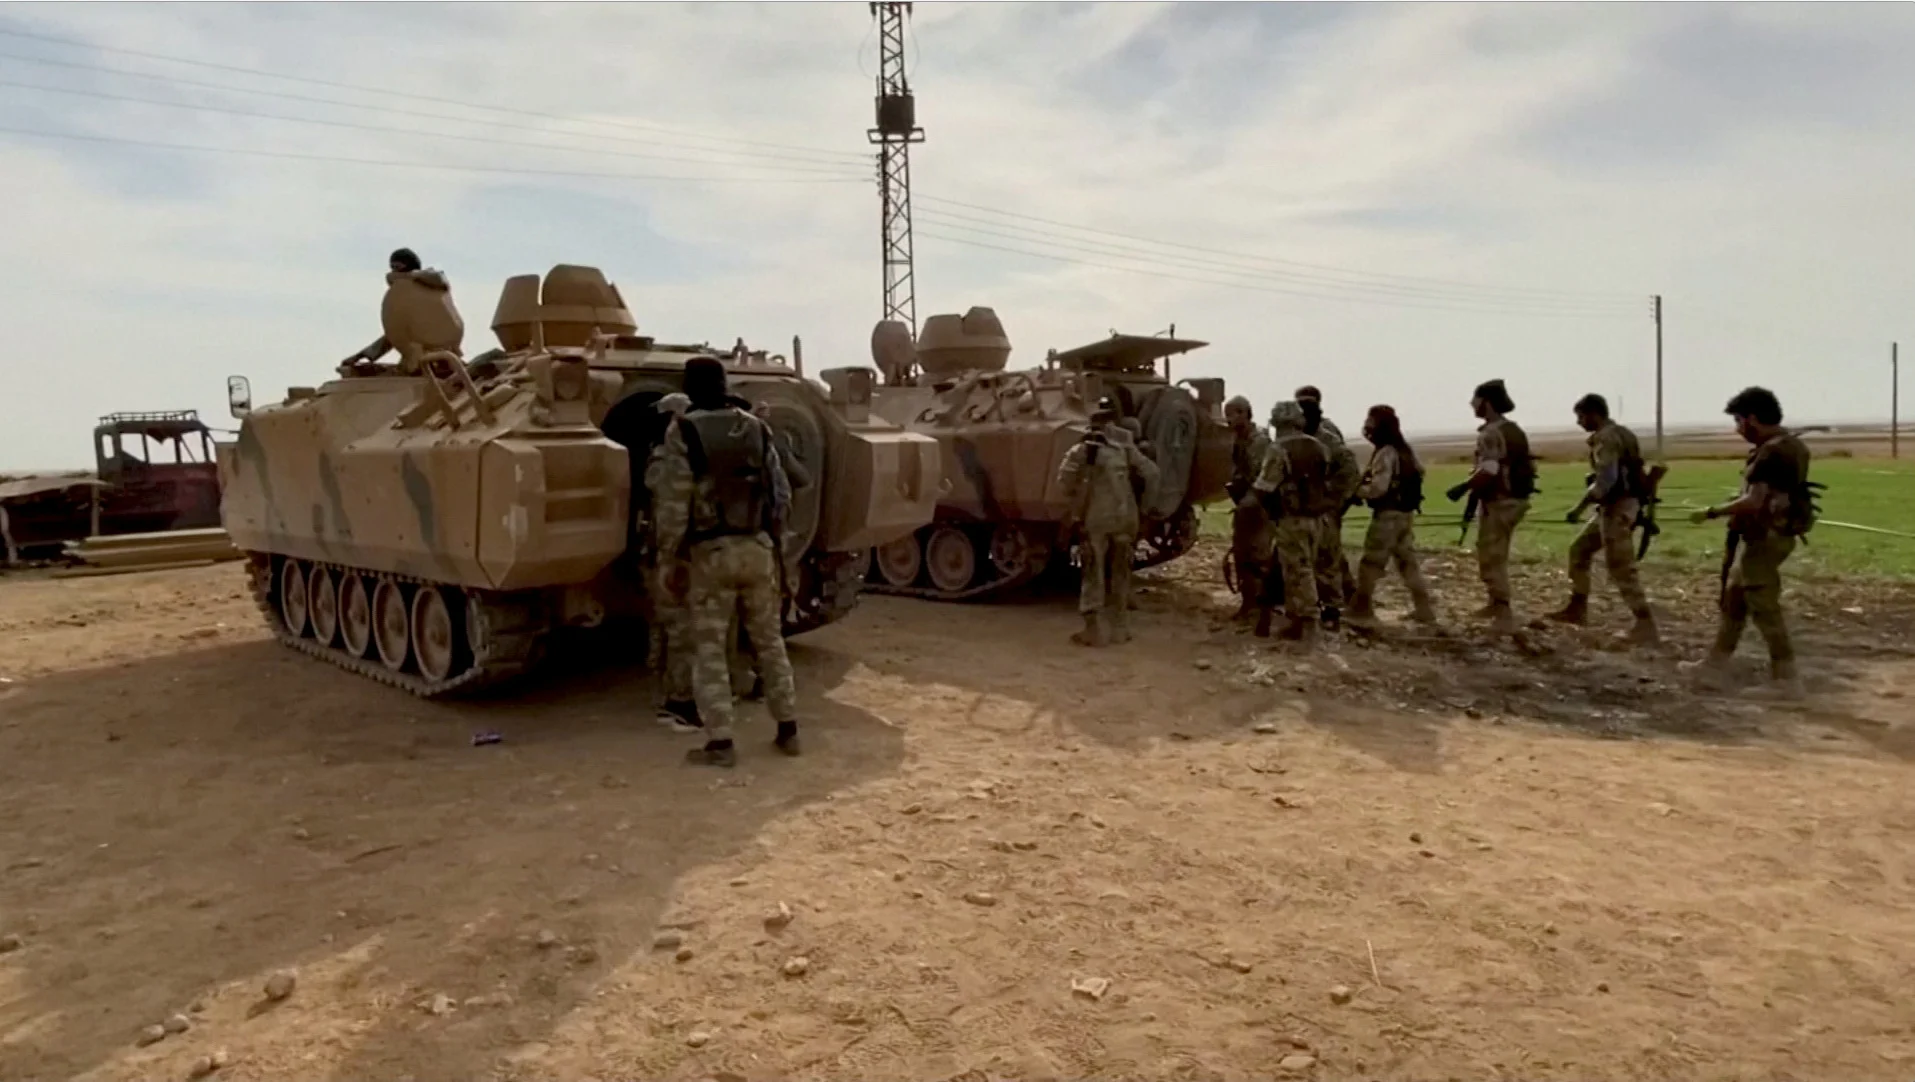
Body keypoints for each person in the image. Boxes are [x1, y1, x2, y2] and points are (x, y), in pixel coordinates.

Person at [652, 357, 801, 767]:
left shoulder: (682, 430)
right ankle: (788, 728)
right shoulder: (757, 427)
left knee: (710, 649)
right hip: (757, 550)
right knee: (769, 642)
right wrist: (778, 546)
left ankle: (720, 742)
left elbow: (674, 502)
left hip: (711, 554)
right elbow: (781, 494)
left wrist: (668, 556)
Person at [1682, 387, 1814, 698]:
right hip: (1775, 534)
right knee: (1735, 601)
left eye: (1739, 421)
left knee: (1763, 606)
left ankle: (1787, 679)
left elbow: (1754, 501)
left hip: (1765, 538)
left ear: (1752, 419)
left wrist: (1713, 511)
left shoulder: (1770, 452)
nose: (1738, 429)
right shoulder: (1793, 445)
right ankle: (1714, 666)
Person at [1548, 394, 1659, 645]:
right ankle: (1577, 608)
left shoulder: (1605, 439)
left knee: (1621, 568)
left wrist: (1578, 508)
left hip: (1616, 509)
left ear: (1594, 414)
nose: (1579, 422)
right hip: (1619, 507)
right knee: (1579, 550)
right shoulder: (1624, 433)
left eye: (1581, 416)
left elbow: (1606, 480)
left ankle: (1645, 625)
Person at [1057, 400, 1159, 646]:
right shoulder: (1125, 447)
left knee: (1093, 570)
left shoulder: (1083, 449)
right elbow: (1152, 474)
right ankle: (1120, 629)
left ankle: (1093, 630)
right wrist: (1145, 508)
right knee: (1121, 571)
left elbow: (1063, 481)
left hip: (1097, 519)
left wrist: (1077, 500)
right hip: (1126, 517)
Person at [1448, 378, 1533, 635]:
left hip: (1500, 501)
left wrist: (1461, 488)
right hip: (1516, 499)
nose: (1471, 404)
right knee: (1498, 551)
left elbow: (1489, 470)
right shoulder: (1513, 430)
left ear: (1486, 402)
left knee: (1491, 553)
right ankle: (1498, 602)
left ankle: (1500, 606)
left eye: (1475, 399)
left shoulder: (1490, 434)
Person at [1346, 405, 1436, 630]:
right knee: (1407, 563)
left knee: (1371, 562)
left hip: (1387, 516)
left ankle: (1362, 607)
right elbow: (1420, 472)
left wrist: (1356, 492)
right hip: (1405, 515)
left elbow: (1379, 488)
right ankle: (1423, 609)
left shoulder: (1386, 453)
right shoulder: (1405, 450)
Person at [1248, 400, 1331, 642]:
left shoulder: (1278, 449)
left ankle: (1308, 625)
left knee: (1298, 572)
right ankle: (1296, 623)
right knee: (1303, 569)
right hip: (1318, 518)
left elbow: (1265, 486)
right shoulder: (1318, 446)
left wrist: (1256, 506)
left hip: (1292, 519)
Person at [1296, 385, 1359, 629]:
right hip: (1310, 507)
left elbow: (1347, 471)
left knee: (1327, 559)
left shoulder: (1328, 437)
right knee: (1320, 558)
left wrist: (1334, 501)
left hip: (1324, 507)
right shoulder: (1302, 436)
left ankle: (1334, 607)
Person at [340, 248, 453, 375]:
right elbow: (395, 336)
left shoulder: (432, 287)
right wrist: (361, 355)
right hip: (414, 365)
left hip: (444, 363)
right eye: (392, 267)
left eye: (398, 267)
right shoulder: (408, 319)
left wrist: (408, 276)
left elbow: (439, 278)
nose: (394, 272)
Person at [1224, 395, 1274, 621]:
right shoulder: (1239, 439)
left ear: (1245, 413)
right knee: (1242, 555)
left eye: (1233, 414)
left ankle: (1264, 609)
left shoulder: (1259, 441)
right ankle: (1249, 603)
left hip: (1261, 508)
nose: (1228, 420)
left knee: (1259, 558)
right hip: (1246, 506)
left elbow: (1263, 479)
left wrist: (1249, 498)